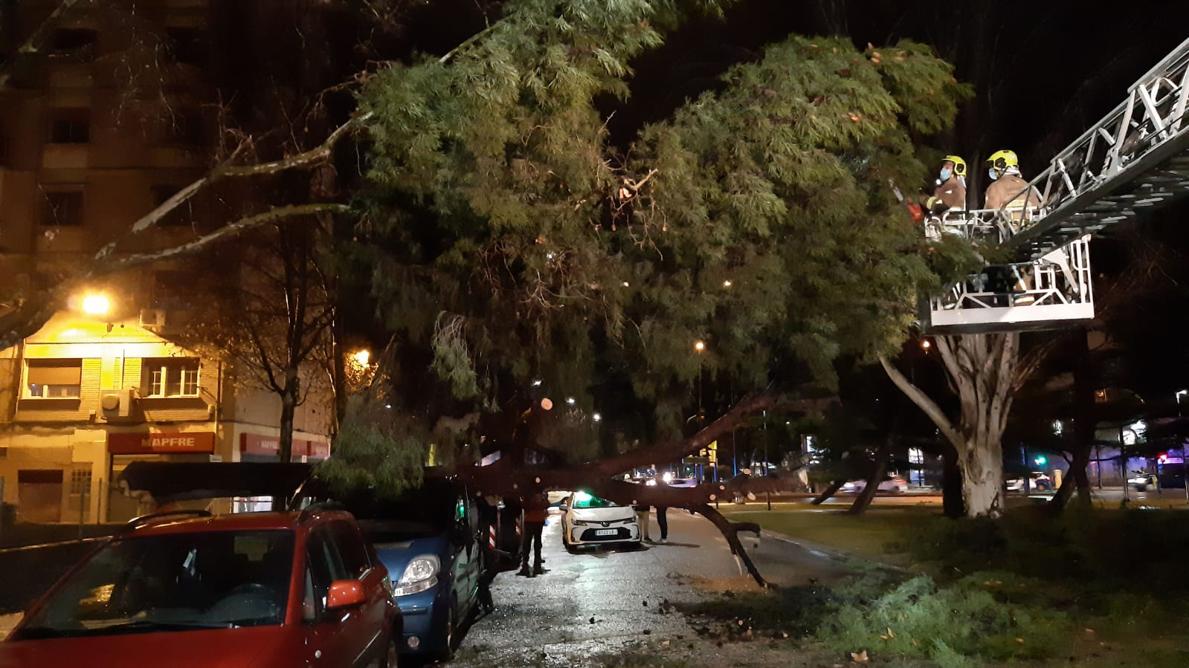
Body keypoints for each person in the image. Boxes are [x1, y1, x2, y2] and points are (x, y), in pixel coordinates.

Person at [518, 491, 548, 577]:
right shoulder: (542, 494)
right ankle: (537, 562)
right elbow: (547, 504)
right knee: (537, 543)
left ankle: (525, 562)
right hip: (538, 521)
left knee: (527, 542)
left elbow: (523, 506)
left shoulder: (527, 495)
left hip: (529, 521)